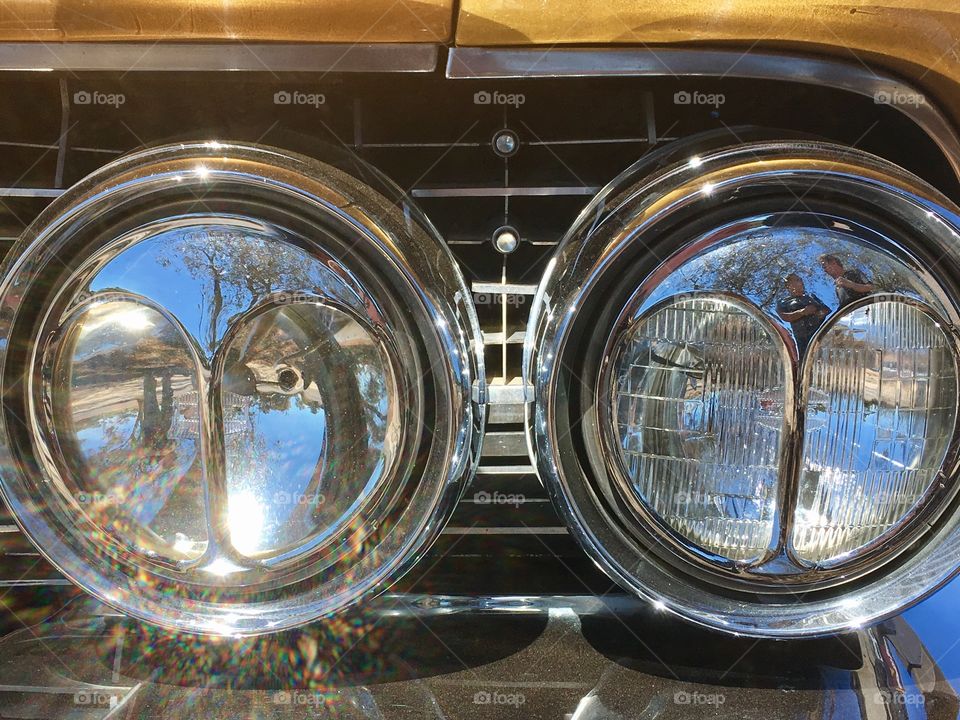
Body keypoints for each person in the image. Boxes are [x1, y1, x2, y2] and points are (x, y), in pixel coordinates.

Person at [776, 273, 830, 354]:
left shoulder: (811, 297)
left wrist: (817, 313)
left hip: (819, 335)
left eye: (800, 280)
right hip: (800, 339)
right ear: (788, 285)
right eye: (796, 280)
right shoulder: (783, 302)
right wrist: (802, 312)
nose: (800, 282)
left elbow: (826, 311)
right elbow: (784, 317)